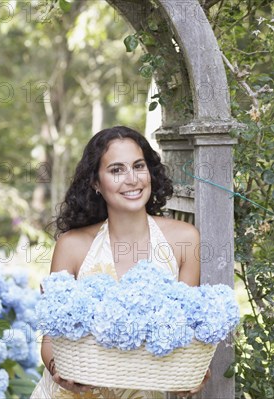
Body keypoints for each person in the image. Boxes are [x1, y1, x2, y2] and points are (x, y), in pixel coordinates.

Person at [30, 126, 210, 399]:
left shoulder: (185, 239)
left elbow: (188, 328)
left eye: (139, 166)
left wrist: (195, 370)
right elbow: (51, 339)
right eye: (116, 170)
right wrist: (59, 371)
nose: (132, 179)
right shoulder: (72, 245)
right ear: (95, 183)